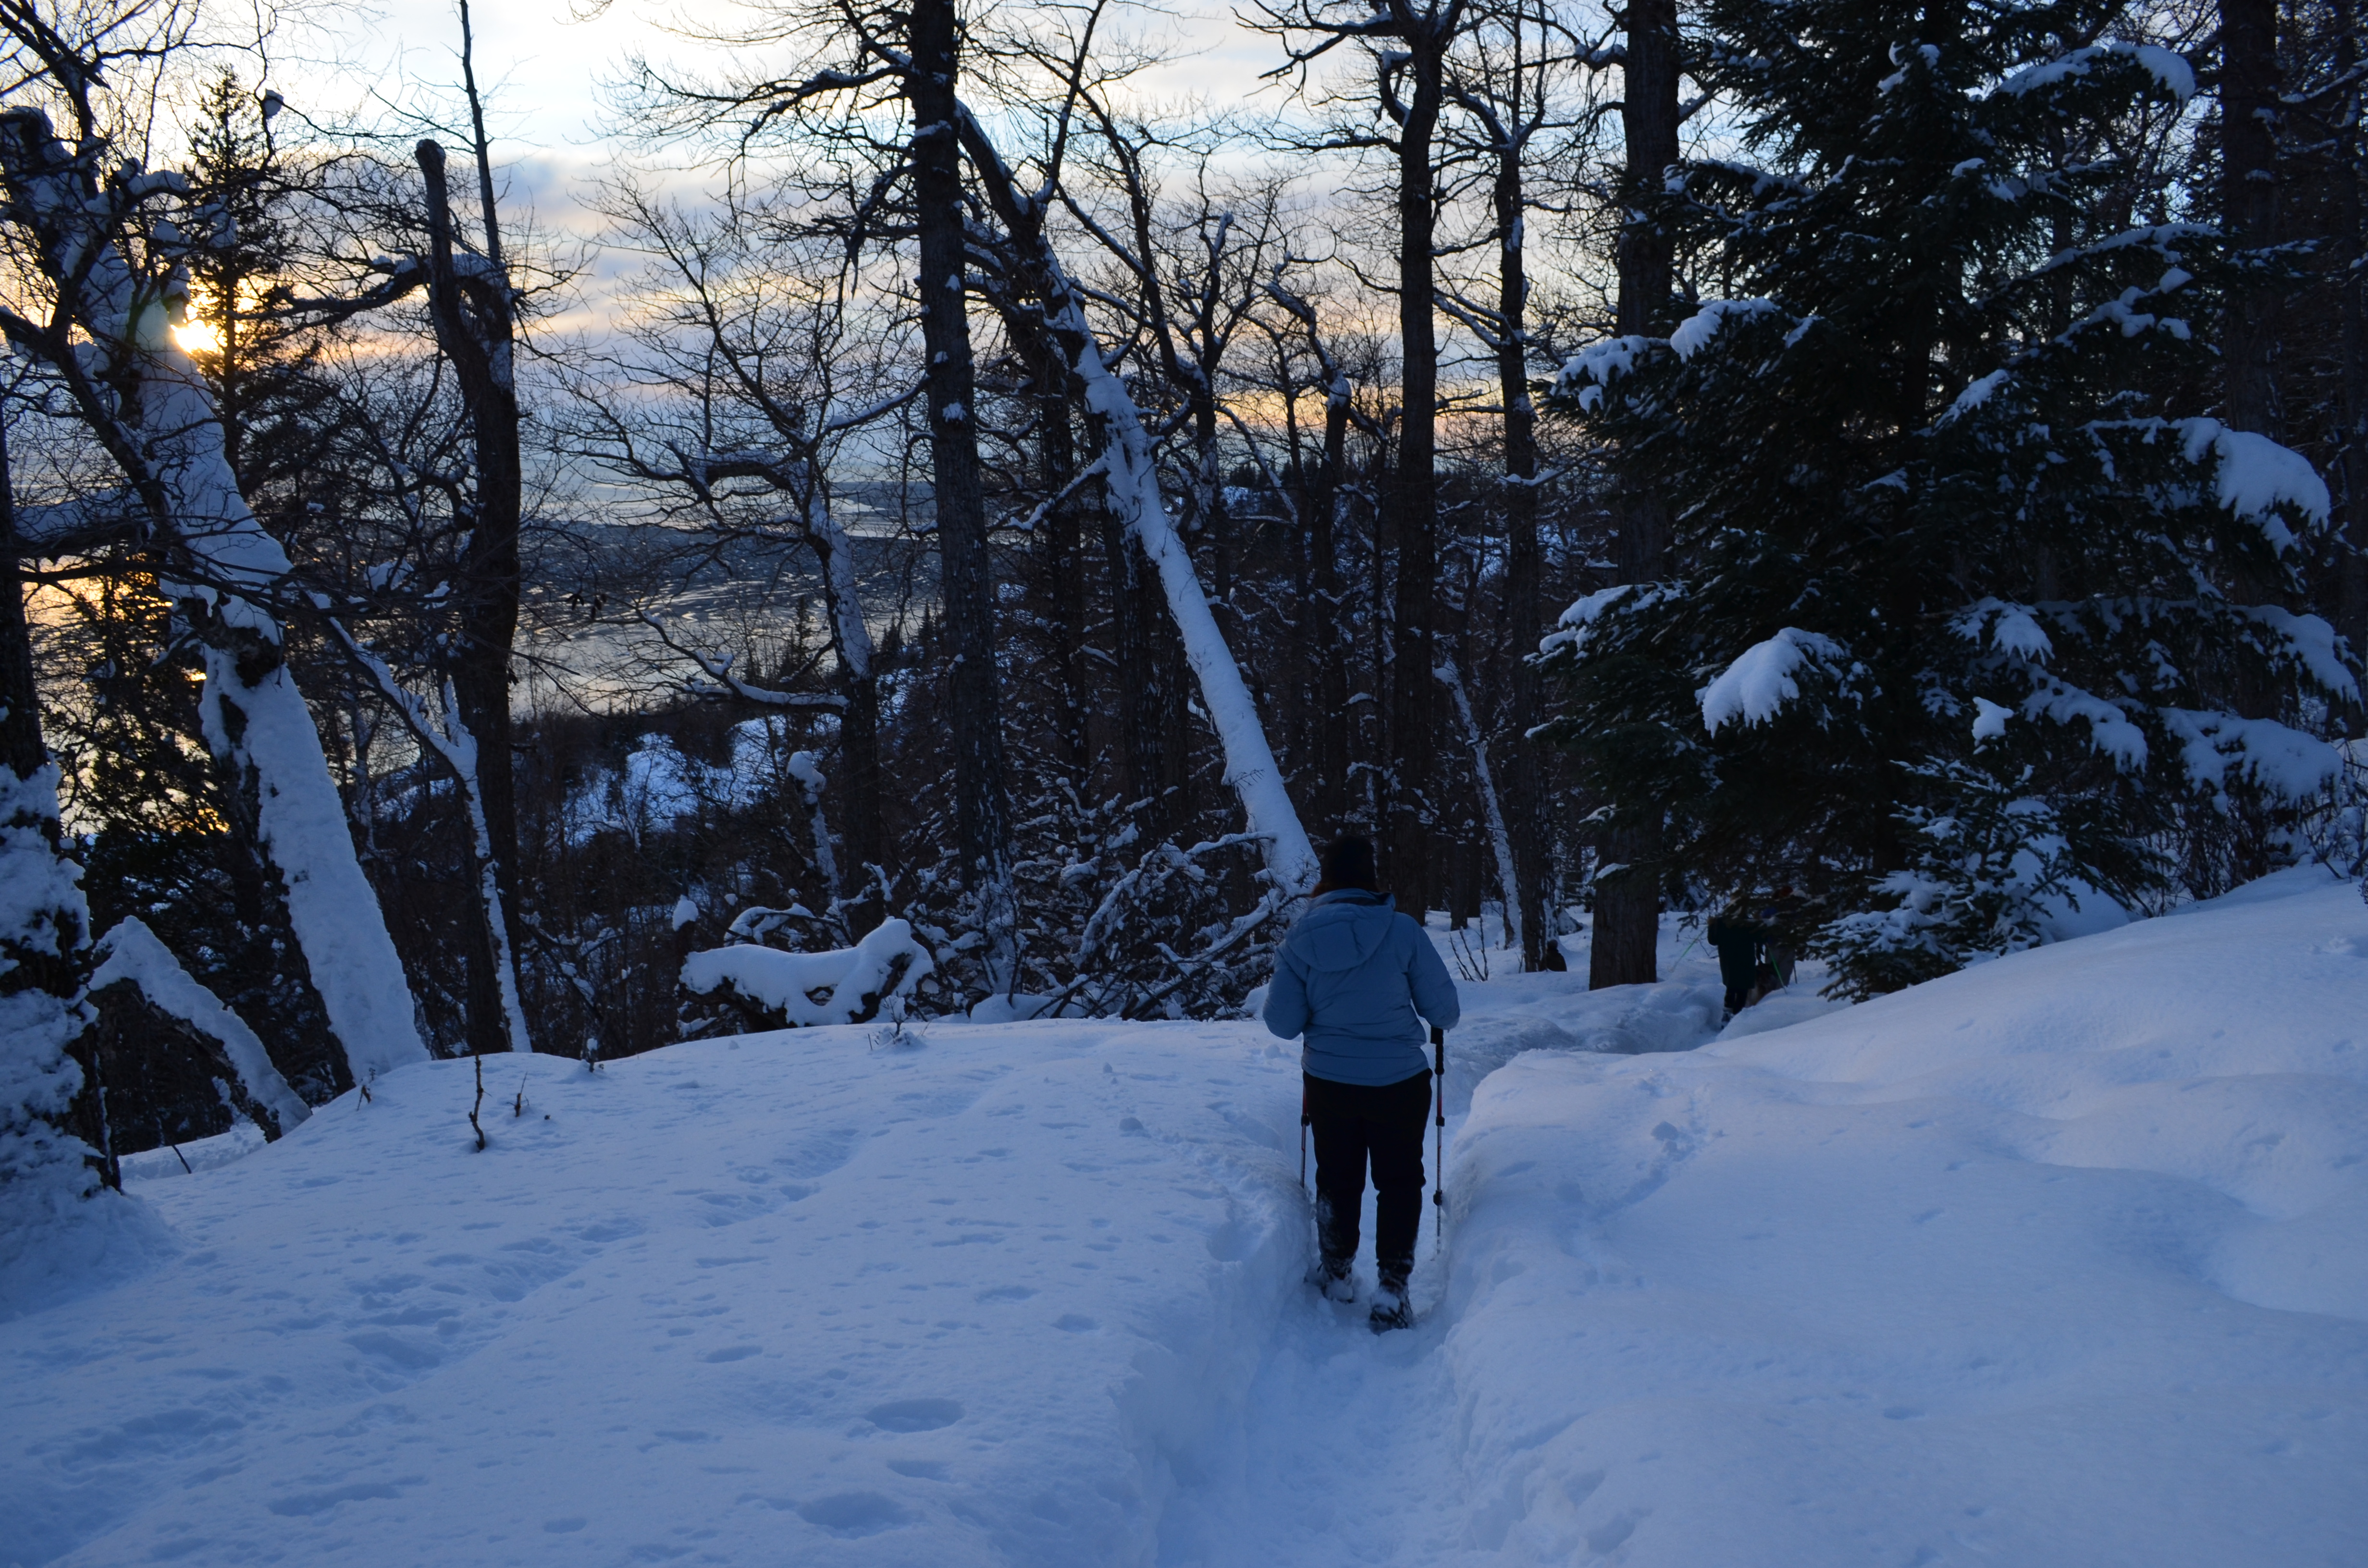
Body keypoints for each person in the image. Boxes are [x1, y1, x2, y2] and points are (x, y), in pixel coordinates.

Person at [1263, 835, 1460, 1332]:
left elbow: (1282, 1023)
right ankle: (1392, 1288)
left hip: (1330, 1082)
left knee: (1337, 1177)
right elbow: (1444, 1011)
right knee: (1399, 1181)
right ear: (1371, 878)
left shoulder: (1299, 938)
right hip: (1399, 1081)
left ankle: (1336, 1272)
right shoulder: (1402, 931)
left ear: (1324, 880)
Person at [1706, 907, 1768, 1021]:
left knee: (1731, 988)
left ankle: (1727, 1014)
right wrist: (1759, 924)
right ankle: (1737, 1017)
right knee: (1742, 991)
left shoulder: (1721, 922)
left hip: (1728, 962)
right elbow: (1761, 939)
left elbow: (1713, 941)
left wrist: (1711, 926)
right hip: (1746, 961)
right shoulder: (1749, 923)